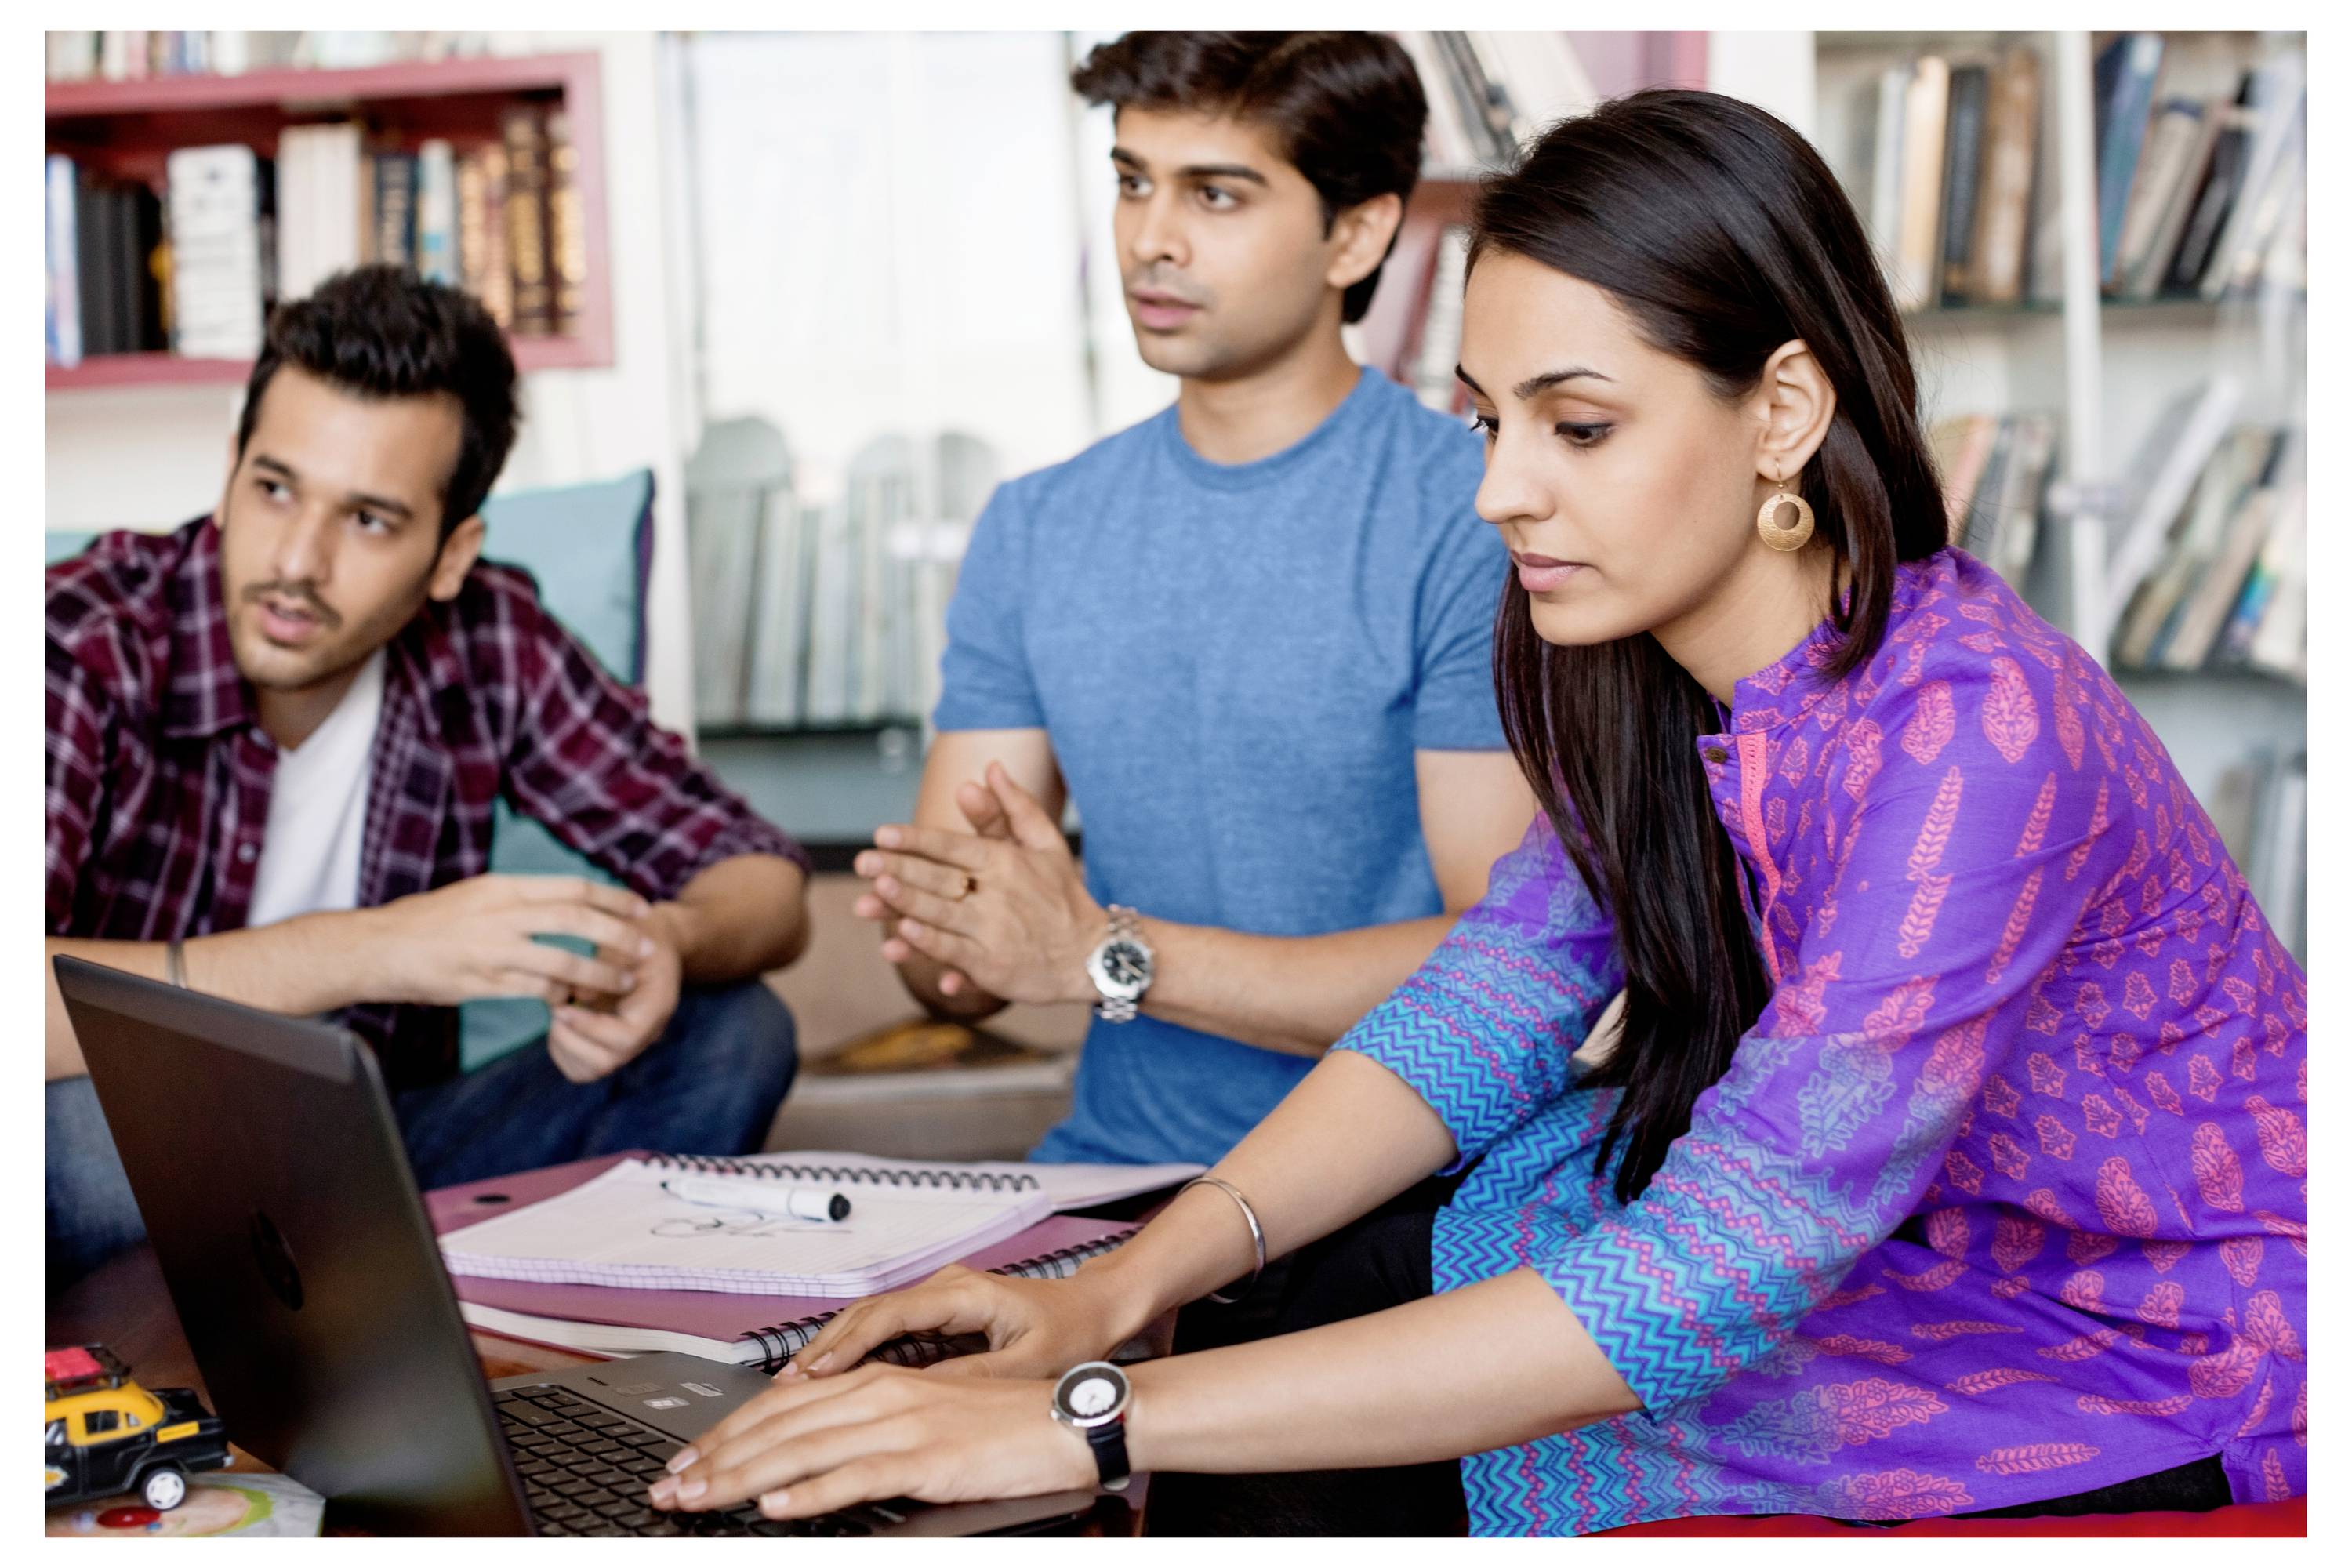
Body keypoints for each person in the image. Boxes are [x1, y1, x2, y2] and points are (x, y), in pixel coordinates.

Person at [639, 90, 2307, 1536]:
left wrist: (1080, 1409)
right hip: (1881, 1251)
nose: (1504, 487)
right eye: (1489, 420)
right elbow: (1495, 994)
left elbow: (1732, 1253)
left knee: (1294, 1425)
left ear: (1783, 411)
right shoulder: (1631, 652)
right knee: (1256, 1304)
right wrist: (1115, 1288)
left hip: (2131, 1337)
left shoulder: (1979, 734)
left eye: (1578, 426)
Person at [850, 32, 1535, 1188]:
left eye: (1216, 194)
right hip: (1109, 1180)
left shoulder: (1477, 514)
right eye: (1131, 181)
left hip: (1402, 1194)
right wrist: (959, 942)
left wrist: (1104, 953)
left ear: (1357, 232)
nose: (1150, 239)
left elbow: (1500, 965)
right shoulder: (1035, 527)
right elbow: (949, 958)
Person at [46, 266, 814, 1290]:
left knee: (733, 1032)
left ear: (450, 555)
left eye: (368, 520)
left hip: (386, 1164)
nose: (296, 563)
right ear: (230, 470)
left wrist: (660, 944)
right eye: (274, 490)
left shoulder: (488, 637)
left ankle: (412, 1323)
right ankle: (365, 1316)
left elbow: (762, 881)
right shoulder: (80, 641)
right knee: (95, 1138)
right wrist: (379, 952)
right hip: (127, 1159)